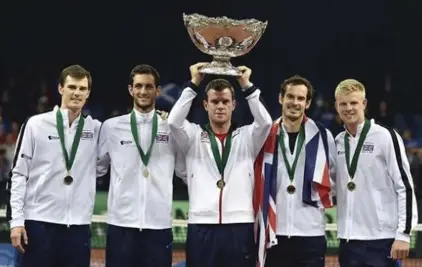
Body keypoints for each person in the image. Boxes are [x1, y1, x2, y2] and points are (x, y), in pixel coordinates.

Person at [167, 62, 273, 267]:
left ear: (234, 104)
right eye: (215, 101)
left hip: (240, 225)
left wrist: (246, 85)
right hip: (201, 225)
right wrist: (194, 83)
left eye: (225, 101)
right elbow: (173, 122)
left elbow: (266, 122)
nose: (220, 106)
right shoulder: (193, 136)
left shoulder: (247, 137)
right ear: (206, 105)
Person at [7, 65, 100, 267]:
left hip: (78, 227)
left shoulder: (97, 130)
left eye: (82, 89)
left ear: (88, 93)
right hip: (38, 225)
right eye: (72, 87)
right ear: (60, 89)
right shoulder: (35, 124)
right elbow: (18, 174)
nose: (77, 93)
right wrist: (16, 222)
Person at [97, 64, 186, 267]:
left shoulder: (171, 127)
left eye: (148, 86)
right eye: (138, 86)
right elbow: (97, 168)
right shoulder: (111, 127)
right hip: (121, 225)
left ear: (158, 90)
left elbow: (185, 171)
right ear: (131, 90)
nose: (143, 91)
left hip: (159, 226)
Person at [334, 79, 419, 266]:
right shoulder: (338, 142)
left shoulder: (386, 136)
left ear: (364, 104)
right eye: (343, 103)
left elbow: (405, 186)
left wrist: (404, 234)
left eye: (354, 102)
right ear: (336, 106)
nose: (348, 108)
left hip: (382, 241)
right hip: (348, 243)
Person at [255, 75, 336, 267]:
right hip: (273, 233)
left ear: (307, 103)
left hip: (310, 234)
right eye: (290, 96)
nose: (295, 102)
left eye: (301, 98)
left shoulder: (323, 135)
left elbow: (333, 177)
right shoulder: (264, 134)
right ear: (281, 98)